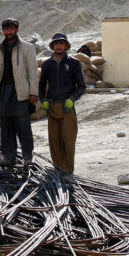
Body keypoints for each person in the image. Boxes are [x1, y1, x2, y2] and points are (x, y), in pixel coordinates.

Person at [0, 18, 39, 168]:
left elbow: (33, 71)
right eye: (6, 29)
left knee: (23, 125)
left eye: (12, 29)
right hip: (5, 90)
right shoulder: (0, 49)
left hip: (21, 90)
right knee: (6, 126)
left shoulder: (27, 47)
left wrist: (33, 92)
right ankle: (8, 156)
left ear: (17, 30)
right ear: (3, 31)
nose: (9, 32)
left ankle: (27, 157)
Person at [39, 33, 87, 174]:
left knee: (69, 141)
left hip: (67, 108)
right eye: (56, 43)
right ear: (52, 46)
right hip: (52, 108)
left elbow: (82, 86)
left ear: (66, 45)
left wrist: (72, 100)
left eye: (61, 43)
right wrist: (44, 100)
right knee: (54, 141)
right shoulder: (47, 64)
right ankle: (58, 170)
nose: (59, 46)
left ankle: (69, 171)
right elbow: (41, 86)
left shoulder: (74, 63)